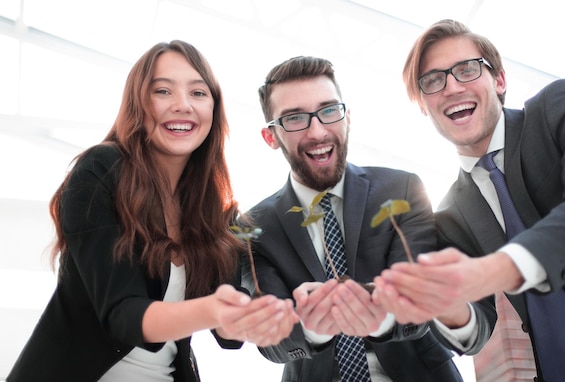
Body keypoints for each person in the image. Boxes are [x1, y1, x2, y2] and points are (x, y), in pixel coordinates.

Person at [7, 40, 297, 382]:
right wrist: (211, 308)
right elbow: (123, 316)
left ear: (214, 110)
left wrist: (278, 311)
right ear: (138, 104)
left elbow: (228, 336)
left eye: (198, 93)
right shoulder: (100, 171)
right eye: (163, 91)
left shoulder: (214, 210)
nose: (183, 105)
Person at [374, 19, 565, 382]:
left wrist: (496, 269)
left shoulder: (563, 108)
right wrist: (446, 304)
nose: (451, 87)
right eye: (432, 81)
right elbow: (476, 330)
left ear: (500, 80)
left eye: (466, 69)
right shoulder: (448, 216)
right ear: (424, 106)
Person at [241, 55, 496, 382]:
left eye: (329, 110)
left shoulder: (402, 189)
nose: (317, 131)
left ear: (347, 118)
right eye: (294, 119)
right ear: (271, 137)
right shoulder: (253, 229)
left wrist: (382, 319)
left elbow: (420, 293)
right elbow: (271, 340)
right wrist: (311, 328)